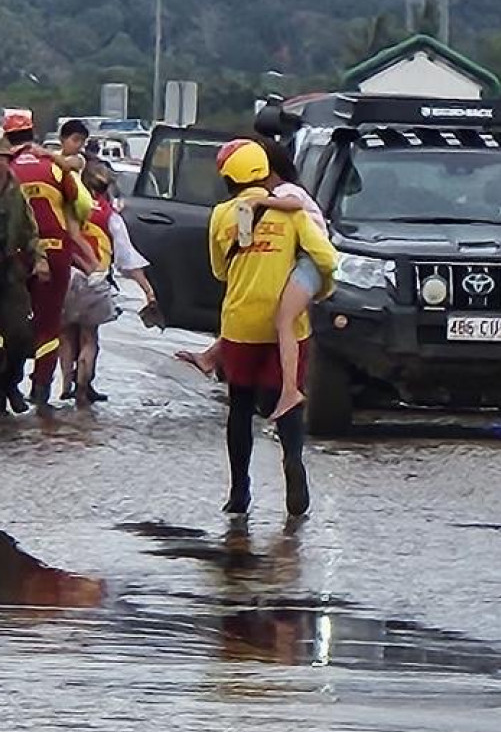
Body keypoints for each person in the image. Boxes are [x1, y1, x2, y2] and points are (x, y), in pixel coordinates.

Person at [209, 139, 339, 518]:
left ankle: (239, 492)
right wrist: (316, 290)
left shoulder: (221, 215)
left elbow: (219, 270)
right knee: (289, 400)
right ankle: (293, 459)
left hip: (240, 324)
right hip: (289, 326)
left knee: (240, 408)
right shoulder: (292, 211)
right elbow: (326, 259)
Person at [176, 138, 327, 418]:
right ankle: (211, 356)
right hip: (303, 260)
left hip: (309, 261)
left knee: (284, 320)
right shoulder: (265, 202)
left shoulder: (286, 192)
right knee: (269, 310)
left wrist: (261, 200)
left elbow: (299, 214)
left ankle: (291, 390)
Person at [5, 109, 94, 409]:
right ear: (32, 134)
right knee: (49, 323)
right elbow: (79, 204)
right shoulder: (52, 166)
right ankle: (40, 389)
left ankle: (7, 386)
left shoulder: (7, 167)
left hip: (14, 254)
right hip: (54, 252)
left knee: (6, 322)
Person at [58, 155, 156, 405]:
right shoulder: (111, 216)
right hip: (95, 279)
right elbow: (127, 259)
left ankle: (64, 384)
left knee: (66, 334)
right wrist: (147, 290)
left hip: (67, 276)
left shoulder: (67, 208)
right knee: (90, 338)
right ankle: (83, 388)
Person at [0, 167, 38, 413]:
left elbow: (30, 231)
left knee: (20, 334)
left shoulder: (16, 193)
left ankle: (10, 384)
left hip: (9, 269)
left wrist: (40, 258)